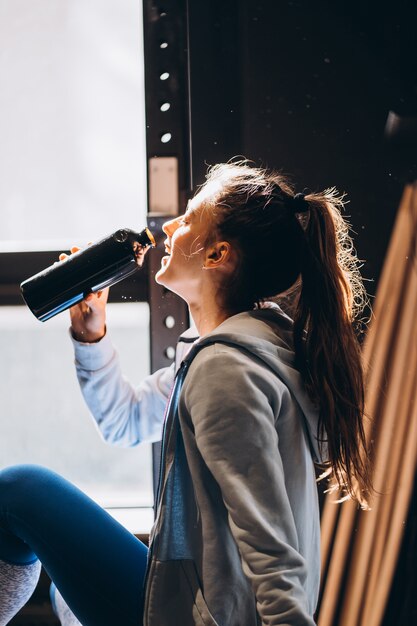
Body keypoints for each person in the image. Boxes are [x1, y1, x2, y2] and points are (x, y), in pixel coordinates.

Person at [0, 160, 372, 626]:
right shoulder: (233, 352)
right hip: (201, 598)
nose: (170, 226)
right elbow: (124, 420)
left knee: (17, 489)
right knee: (67, 590)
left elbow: (267, 536)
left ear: (217, 255)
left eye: (189, 218)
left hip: (202, 617)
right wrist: (92, 337)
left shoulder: (226, 370)